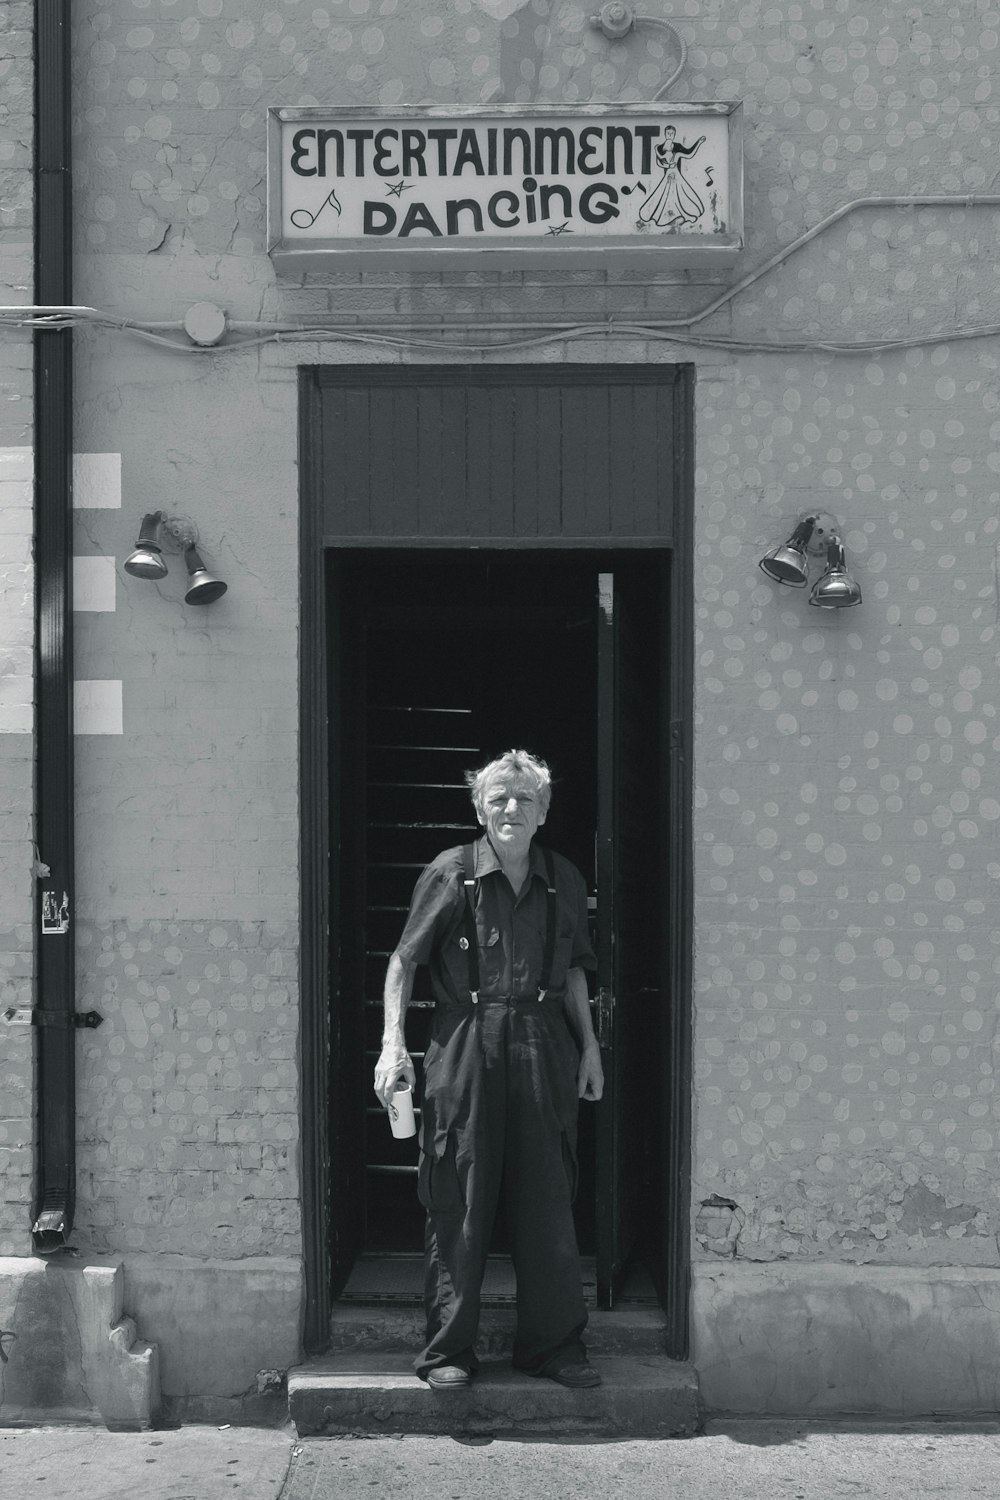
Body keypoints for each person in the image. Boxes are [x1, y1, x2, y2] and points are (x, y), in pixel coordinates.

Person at [374, 749, 604, 1391]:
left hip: (542, 1045)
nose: (510, 808)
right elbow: (403, 960)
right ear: (479, 806)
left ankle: (553, 1348)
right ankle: (449, 1353)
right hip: (467, 1043)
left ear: (544, 812)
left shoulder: (564, 878)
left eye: (524, 798)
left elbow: (577, 969)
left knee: (548, 1197)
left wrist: (589, 1047)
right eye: (498, 797)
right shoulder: (451, 873)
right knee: (459, 1194)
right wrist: (393, 1044)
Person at [638, 126, 706, 228]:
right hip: (668, 175)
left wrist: (699, 142)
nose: (670, 135)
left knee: (680, 193)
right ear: (665, 134)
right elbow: (659, 161)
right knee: (665, 195)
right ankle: (666, 217)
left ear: (674, 135)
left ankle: (680, 215)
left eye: (672, 133)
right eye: (668, 133)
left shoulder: (677, 150)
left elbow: (689, 154)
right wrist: (665, 162)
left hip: (676, 174)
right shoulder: (661, 148)